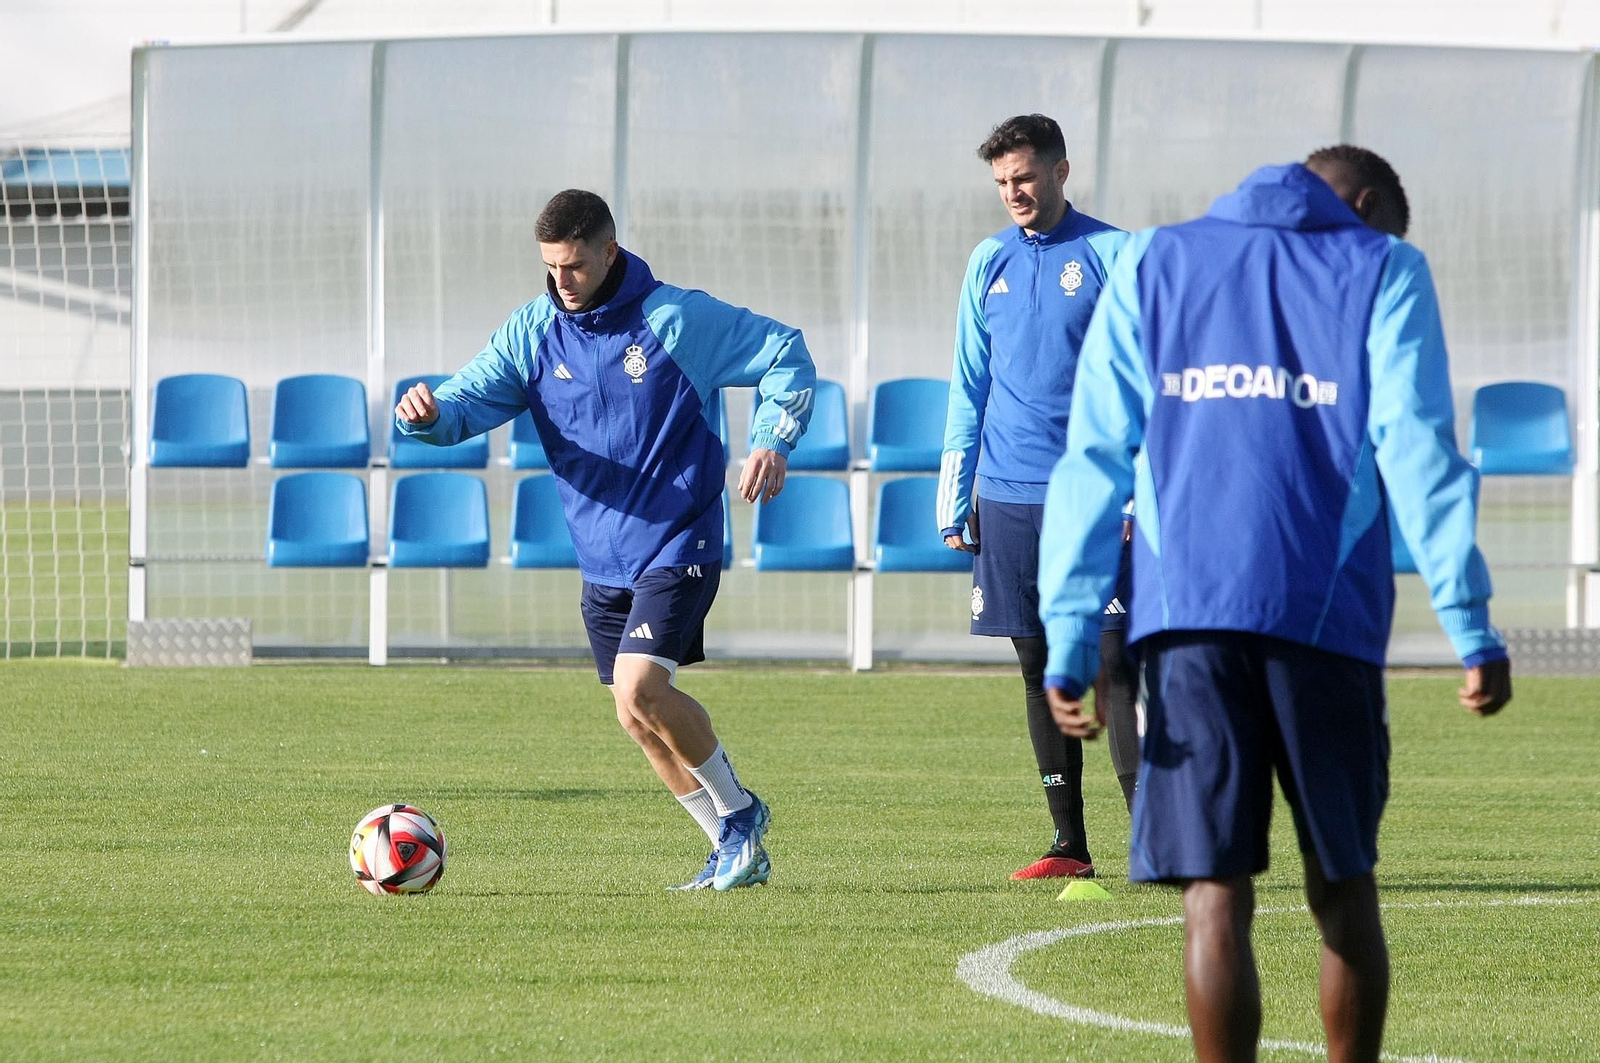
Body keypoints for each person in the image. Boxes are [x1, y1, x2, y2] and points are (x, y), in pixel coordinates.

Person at [1037, 146, 1513, 1063]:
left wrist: (1069, 636)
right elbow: (1418, 448)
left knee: (1213, 896)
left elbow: (1092, 456)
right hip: (1324, 614)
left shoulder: (1151, 259)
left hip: (1187, 620)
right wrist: (1470, 622)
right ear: (1368, 206)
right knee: (1343, 882)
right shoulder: (1382, 265)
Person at [395, 189, 817, 892]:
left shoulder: (675, 318)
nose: (562, 280)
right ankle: (730, 849)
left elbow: (785, 351)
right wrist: (427, 415)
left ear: (609, 252)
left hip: (679, 538)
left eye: (575, 265)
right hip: (601, 557)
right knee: (632, 714)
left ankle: (743, 811)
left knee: (642, 684)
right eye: (551, 267)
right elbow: (468, 401)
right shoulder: (532, 331)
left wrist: (772, 438)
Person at [937, 113, 1138, 880]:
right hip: (1010, 494)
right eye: (1001, 182)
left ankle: (1154, 840)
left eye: (1023, 177)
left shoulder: (1113, 254)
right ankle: (1069, 844)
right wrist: (956, 494)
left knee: (1116, 666)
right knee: (1036, 664)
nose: (1012, 192)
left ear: (1060, 170)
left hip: (1096, 495)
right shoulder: (987, 261)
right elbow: (968, 381)